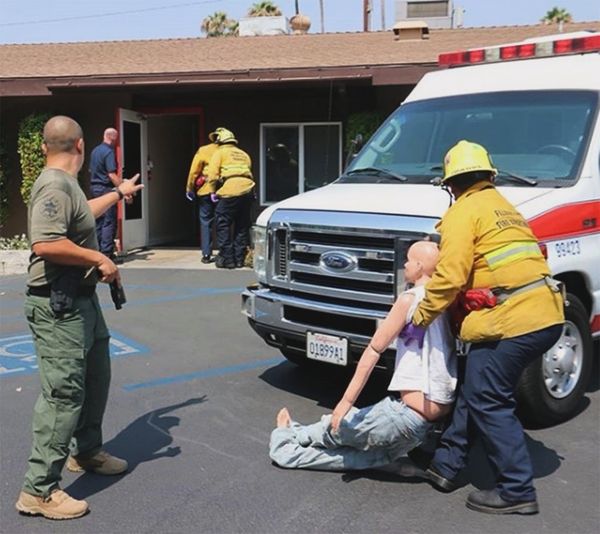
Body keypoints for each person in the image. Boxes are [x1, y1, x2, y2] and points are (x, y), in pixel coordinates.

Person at [410, 140, 564, 515]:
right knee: (475, 388)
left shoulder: (464, 212)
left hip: (514, 319)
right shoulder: (504, 208)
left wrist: (420, 318)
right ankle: (446, 466)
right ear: (488, 175)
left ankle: (517, 490)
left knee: (489, 399)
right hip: (545, 312)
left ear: (451, 185)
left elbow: (450, 276)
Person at [15, 116, 143, 520]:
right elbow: (46, 241)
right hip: (59, 306)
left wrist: (118, 193)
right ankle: (37, 490)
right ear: (83, 146)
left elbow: (81, 214)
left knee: (95, 376)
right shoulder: (53, 184)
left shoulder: (65, 185)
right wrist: (99, 256)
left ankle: (85, 452)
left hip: (81, 301)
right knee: (63, 394)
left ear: (43, 147)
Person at [269, 241, 457, 472]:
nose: (405, 265)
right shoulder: (446, 299)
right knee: (356, 458)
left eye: (408, 260)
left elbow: (374, 349)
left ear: (419, 266)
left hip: (404, 418)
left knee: (334, 431)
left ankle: (285, 436)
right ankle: (288, 446)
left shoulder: (410, 299)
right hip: (423, 424)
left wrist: (345, 403)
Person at [206, 127, 255, 269]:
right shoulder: (243, 154)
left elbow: (213, 175)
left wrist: (212, 192)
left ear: (220, 140)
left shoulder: (219, 153)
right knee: (242, 224)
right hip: (248, 190)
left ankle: (228, 259)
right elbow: (248, 171)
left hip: (230, 190)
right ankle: (239, 258)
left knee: (222, 223)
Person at [185, 130, 220, 263]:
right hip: (224, 189)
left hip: (205, 190)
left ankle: (206, 254)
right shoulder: (230, 152)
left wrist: (189, 188)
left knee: (206, 221)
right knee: (224, 221)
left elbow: (194, 171)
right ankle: (226, 252)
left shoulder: (204, 150)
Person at [89, 127, 120, 259]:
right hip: (105, 188)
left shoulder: (95, 151)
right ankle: (106, 253)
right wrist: (122, 189)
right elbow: (111, 174)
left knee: (99, 220)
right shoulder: (108, 152)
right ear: (112, 137)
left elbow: (91, 170)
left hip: (95, 187)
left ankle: (97, 250)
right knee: (109, 221)